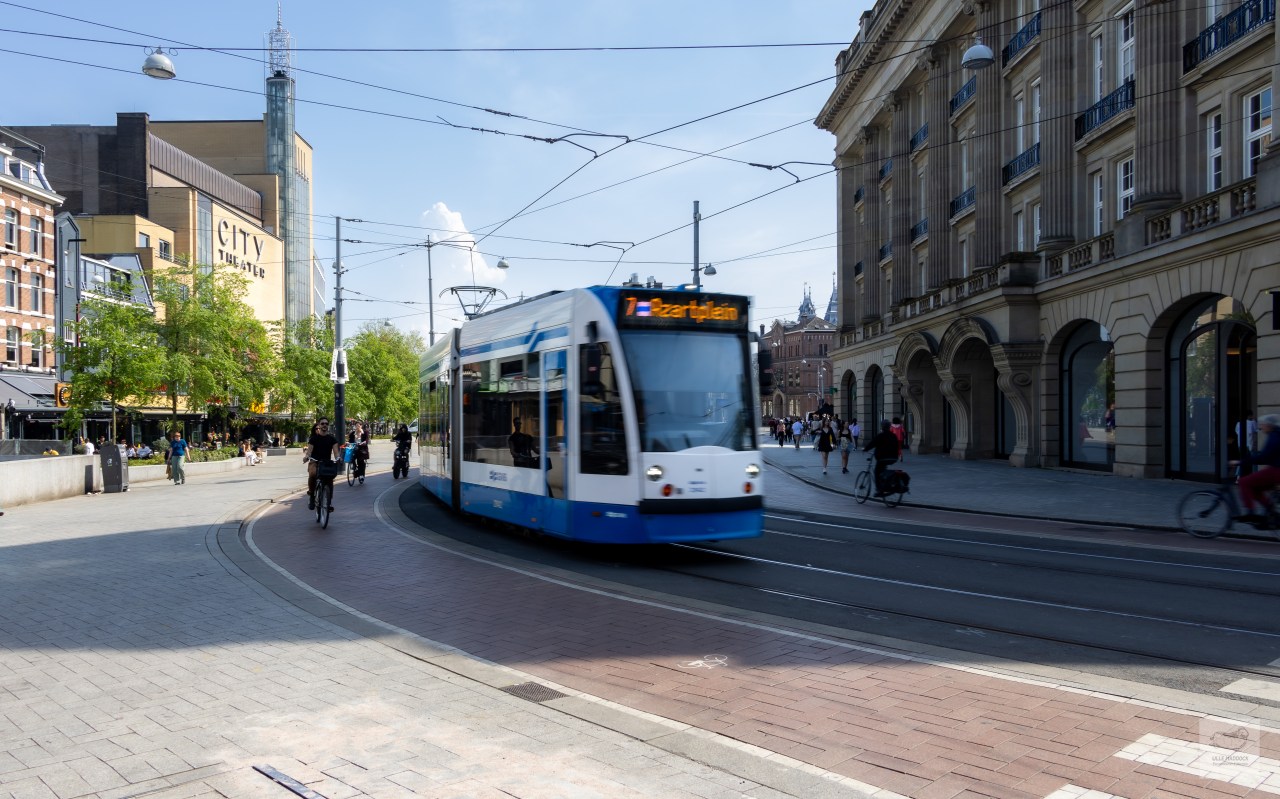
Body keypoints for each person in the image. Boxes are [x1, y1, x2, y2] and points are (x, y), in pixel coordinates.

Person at [1231, 414, 1280, 526]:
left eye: (1262, 425)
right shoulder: (1276, 434)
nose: (1260, 428)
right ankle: (1273, 514)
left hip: (1276, 471)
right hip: (1276, 470)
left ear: (1269, 425)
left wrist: (1240, 462)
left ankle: (1250, 513)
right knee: (1255, 489)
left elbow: (1263, 458)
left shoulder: (1274, 438)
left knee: (1244, 482)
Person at [303, 418, 342, 510]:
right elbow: (309, 451)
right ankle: (312, 496)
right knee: (312, 474)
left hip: (326, 463)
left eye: (326, 423)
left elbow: (336, 452)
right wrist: (306, 457)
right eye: (322, 423)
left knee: (330, 480)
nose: (325, 425)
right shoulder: (313, 439)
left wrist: (338, 458)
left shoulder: (332, 439)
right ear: (319, 425)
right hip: (314, 461)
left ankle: (328, 502)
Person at [863, 420, 901, 496]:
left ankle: (879, 490)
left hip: (883, 458)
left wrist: (865, 449)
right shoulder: (893, 436)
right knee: (883, 470)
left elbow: (872, 443)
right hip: (894, 458)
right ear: (889, 427)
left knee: (876, 471)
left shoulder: (881, 435)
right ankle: (886, 483)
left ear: (882, 427)